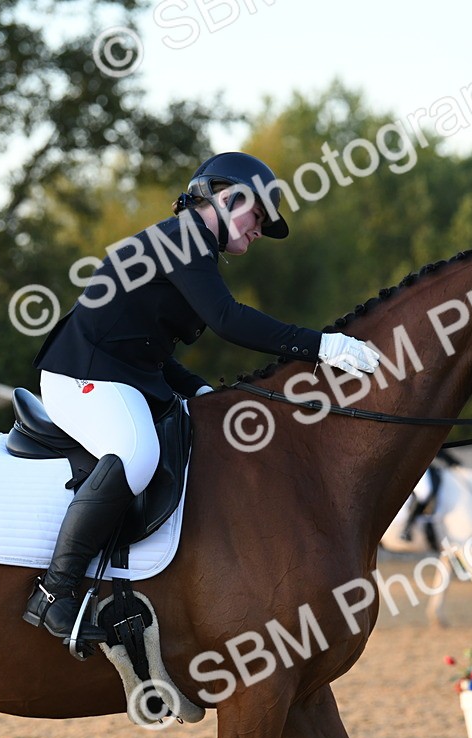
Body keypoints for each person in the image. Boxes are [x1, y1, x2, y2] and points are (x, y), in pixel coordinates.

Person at [22, 152, 380, 648]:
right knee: (136, 454)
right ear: (228, 197)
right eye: (257, 216)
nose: (258, 231)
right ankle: (55, 592)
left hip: (120, 374)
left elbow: (149, 349)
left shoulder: (186, 246)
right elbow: (228, 319)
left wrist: (200, 392)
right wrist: (323, 344)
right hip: (80, 376)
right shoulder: (184, 237)